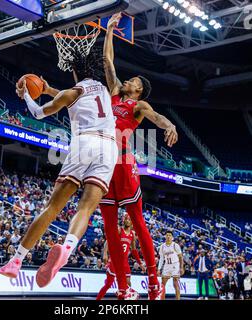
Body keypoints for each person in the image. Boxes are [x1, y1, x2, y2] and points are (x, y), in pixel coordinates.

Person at [0, 47, 118, 289]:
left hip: (84, 141)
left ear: (74, 70)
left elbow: (40, 112)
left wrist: (28, 95)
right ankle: (66, 248)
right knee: (85, 209)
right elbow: (75, 97)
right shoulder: (106, 89)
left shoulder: (71, 92)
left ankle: (16, 261)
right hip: (110, 147)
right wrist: (49, 89)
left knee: (53, 207)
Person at [99, 13, 178, 300]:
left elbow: (156, 117)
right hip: (104, 162)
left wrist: (169, 125)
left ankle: (154, 283)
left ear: (139, 89)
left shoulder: (138, 104)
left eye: (132, 79)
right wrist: (108, 30)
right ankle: (124, 288)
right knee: (109, 227)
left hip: (124, 161)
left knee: (138, 222)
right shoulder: (113, 93)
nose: (127, 80)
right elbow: (107, 62)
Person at [96, 213, 144, 300]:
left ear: (132, 222)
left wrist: (140, 263)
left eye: (129, 219)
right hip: (115, 260)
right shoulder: (119, 230)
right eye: (126, 219)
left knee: (128, 283)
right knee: (108, 284)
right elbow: (108, 240)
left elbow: (133, 250)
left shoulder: (132, 234)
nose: (127, 221)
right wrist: (105, 253)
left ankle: (123, 297)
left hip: (124, 261)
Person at [157, 231, 184, 300]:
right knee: (162, 284)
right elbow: (161, 259)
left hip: (175, 265)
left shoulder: (175, 245)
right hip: (167, 265)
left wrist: (181, 267)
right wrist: (159, 269)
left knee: (175, 283)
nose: (168, 236)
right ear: (165, 237)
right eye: (167, 235)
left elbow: (180, 257)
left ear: (172, 237)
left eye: (170, 235)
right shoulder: (162, 246)